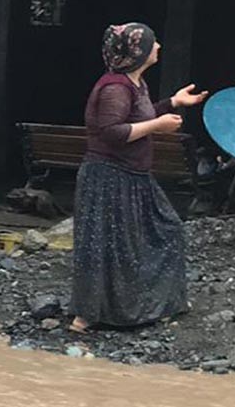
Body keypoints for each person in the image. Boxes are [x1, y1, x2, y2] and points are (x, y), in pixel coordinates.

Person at [69, 23, 204, 332]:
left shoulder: (134, 84)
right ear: (137, 52)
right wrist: (157, 126)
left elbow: (137, 118)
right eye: (154, 43)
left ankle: (138, 305)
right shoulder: (115, 88)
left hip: (132, 176)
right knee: (105, 245)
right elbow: (112, 132)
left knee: (157, 234)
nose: (158, 48)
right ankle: (88, 314)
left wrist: (172, 103)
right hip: (109, 177)